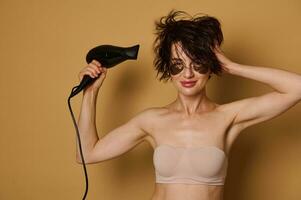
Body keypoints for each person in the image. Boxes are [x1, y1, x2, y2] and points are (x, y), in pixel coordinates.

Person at [76, 10, 301, 200]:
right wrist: (90, 93)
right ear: (168, 69)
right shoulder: (152, 120)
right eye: (177, 65)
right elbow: (87, 154)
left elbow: (297, 88)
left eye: (198, 64)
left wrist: (232, 67)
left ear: (212, 66)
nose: (188, 73)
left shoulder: (228, 117)